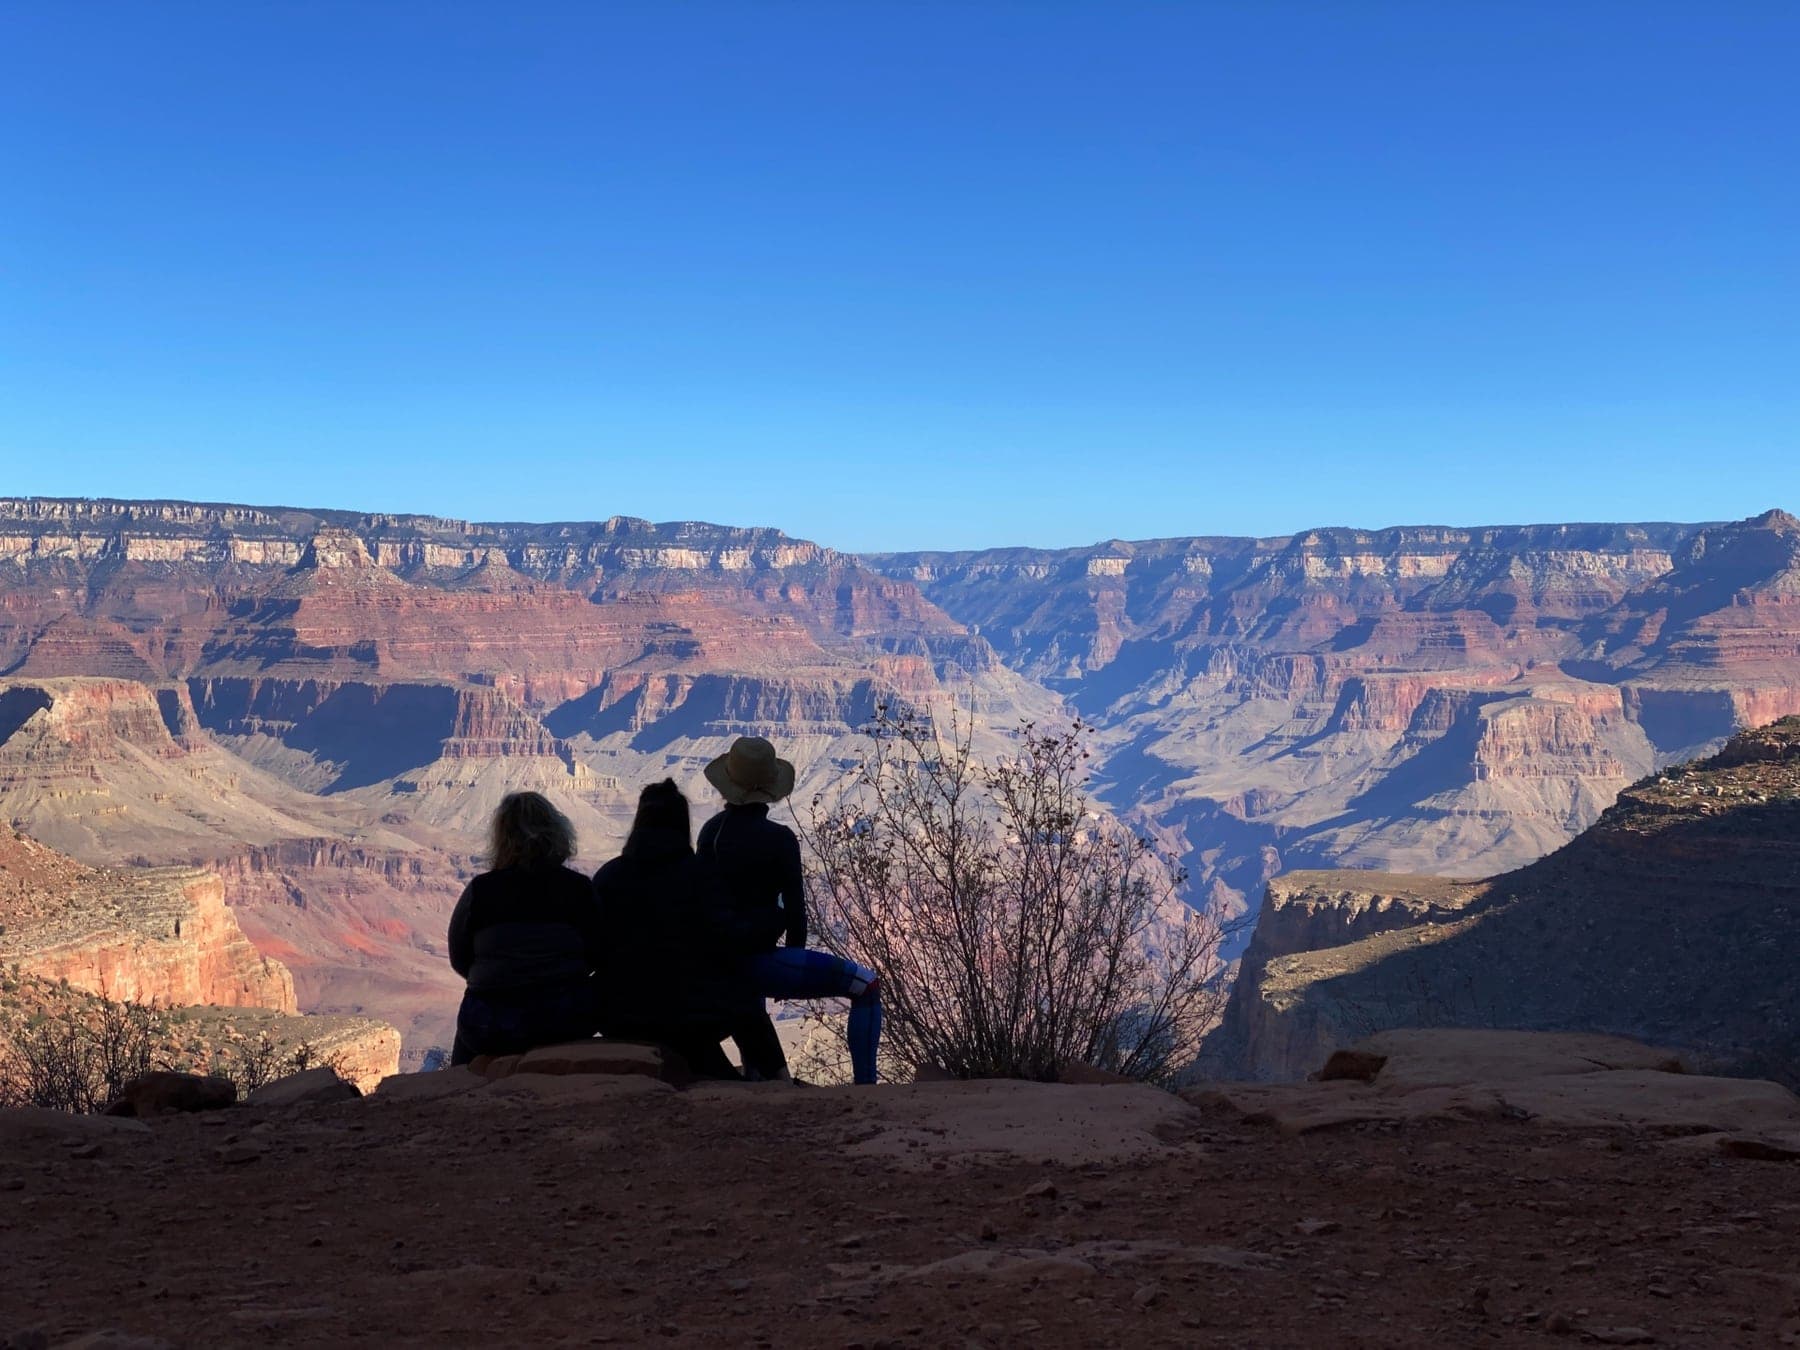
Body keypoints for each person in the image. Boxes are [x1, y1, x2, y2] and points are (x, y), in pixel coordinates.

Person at [699, 735, 883, 1085]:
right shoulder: (779, 838)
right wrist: (791, 961)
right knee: (866, 985)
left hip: (718, 963)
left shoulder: (711, 833)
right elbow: (796, 911)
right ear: (770, 788)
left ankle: (757, 1077)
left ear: (728, 785)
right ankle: (867, 1090)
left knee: (750, 1002)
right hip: (762, 960)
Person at [591, 779, 763, 1079]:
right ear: (683, 823)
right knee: (745, 986)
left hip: (618, 1017)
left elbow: (592, 951)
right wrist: (771, 920)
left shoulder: (609, 877)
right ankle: (775, 1077)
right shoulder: (701, 875)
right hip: (695, 1018)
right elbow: (730, 940)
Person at [447, 792, 603, 1065]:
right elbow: (599, 952)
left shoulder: (481, 891)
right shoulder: (578, 888)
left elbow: (460, 959)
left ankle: (460, 1090)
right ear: (556, 833)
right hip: (565, 1021)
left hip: (491, 1028)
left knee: (466, 1036)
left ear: (502, 839)